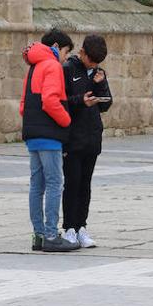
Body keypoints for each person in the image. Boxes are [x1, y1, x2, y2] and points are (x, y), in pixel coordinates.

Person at [21, 35, 77, 252]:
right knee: (55, 183)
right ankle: (52, 235)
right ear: (55, 47)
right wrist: (67, 121)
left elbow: (23, 104)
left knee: (37, 185)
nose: (66, 58)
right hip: (50, 135)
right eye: (65, 52)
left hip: (33, 134)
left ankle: (39, 234)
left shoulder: (33, 67)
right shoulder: (52, 66)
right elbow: (51, 101)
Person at [61, 34, 112, 249]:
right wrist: (80, 101)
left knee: (85, 185)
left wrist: (100, 87)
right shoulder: (68, 69)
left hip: (92, 137)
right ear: (82, 53)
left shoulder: (99, 72)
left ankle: (81, 226)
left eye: (97, 63)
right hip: (73, 138)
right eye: (91, 61)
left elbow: (106, 104)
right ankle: (69, 227)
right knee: (72, 183)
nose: (93, 65)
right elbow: (62, 101)